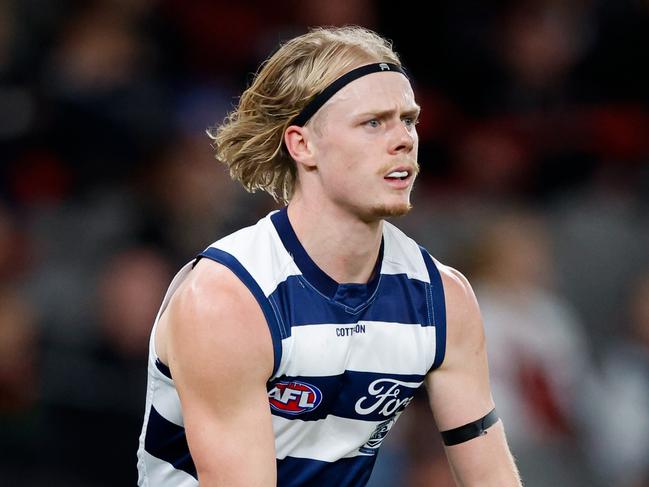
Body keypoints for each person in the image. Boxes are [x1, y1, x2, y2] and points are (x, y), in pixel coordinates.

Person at [136, 26, 521, 486]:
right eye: (373, 122)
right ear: (303, 145)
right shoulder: (228, 298)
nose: (403, 139)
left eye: (408, 120)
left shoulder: (443, 298)